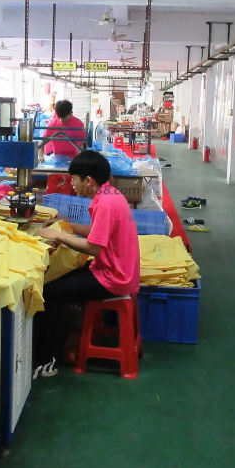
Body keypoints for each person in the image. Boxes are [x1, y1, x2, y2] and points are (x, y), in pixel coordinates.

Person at [34, 150, 140, 377]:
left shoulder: (104, 204)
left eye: (74, 179)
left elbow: (93, 247)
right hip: (121, 271)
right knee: (62, 281)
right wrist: (68, 226)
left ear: (88, 181)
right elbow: (97, 233)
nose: (72, 183)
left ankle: (47, 360)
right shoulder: (111, 194)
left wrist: (59, 236)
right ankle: (59, 344)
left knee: (51, 291)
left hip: (113, 278)